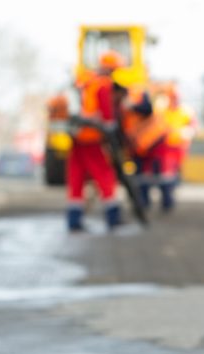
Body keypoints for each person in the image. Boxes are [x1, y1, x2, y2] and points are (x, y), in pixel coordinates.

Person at [66, 50, 123, 232]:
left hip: (76, 136)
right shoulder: (103, 84)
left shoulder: (84, 79)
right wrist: (111, 128)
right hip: (92, 137)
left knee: (76, 176)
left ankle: (73, 219)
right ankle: (112, 216)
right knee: (104, 174)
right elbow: (106, 113)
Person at [122, 91, 171, 213]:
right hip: (138, 145)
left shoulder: (138, 94)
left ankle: (166, 201)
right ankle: (143, 202)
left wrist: (131, 106)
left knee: (159, 175)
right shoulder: (128, 98)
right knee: (140, 176)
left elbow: (147, 109)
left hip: (151, 143)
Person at [155, 85, 196, 211]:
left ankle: (169, 198)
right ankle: (167, 199)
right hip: (164, 148)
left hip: (178, 147)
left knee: (171, 175)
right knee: (165, 175)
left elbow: (193, 127)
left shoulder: (185, 112)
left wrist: (186, 132)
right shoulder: (162, 110)